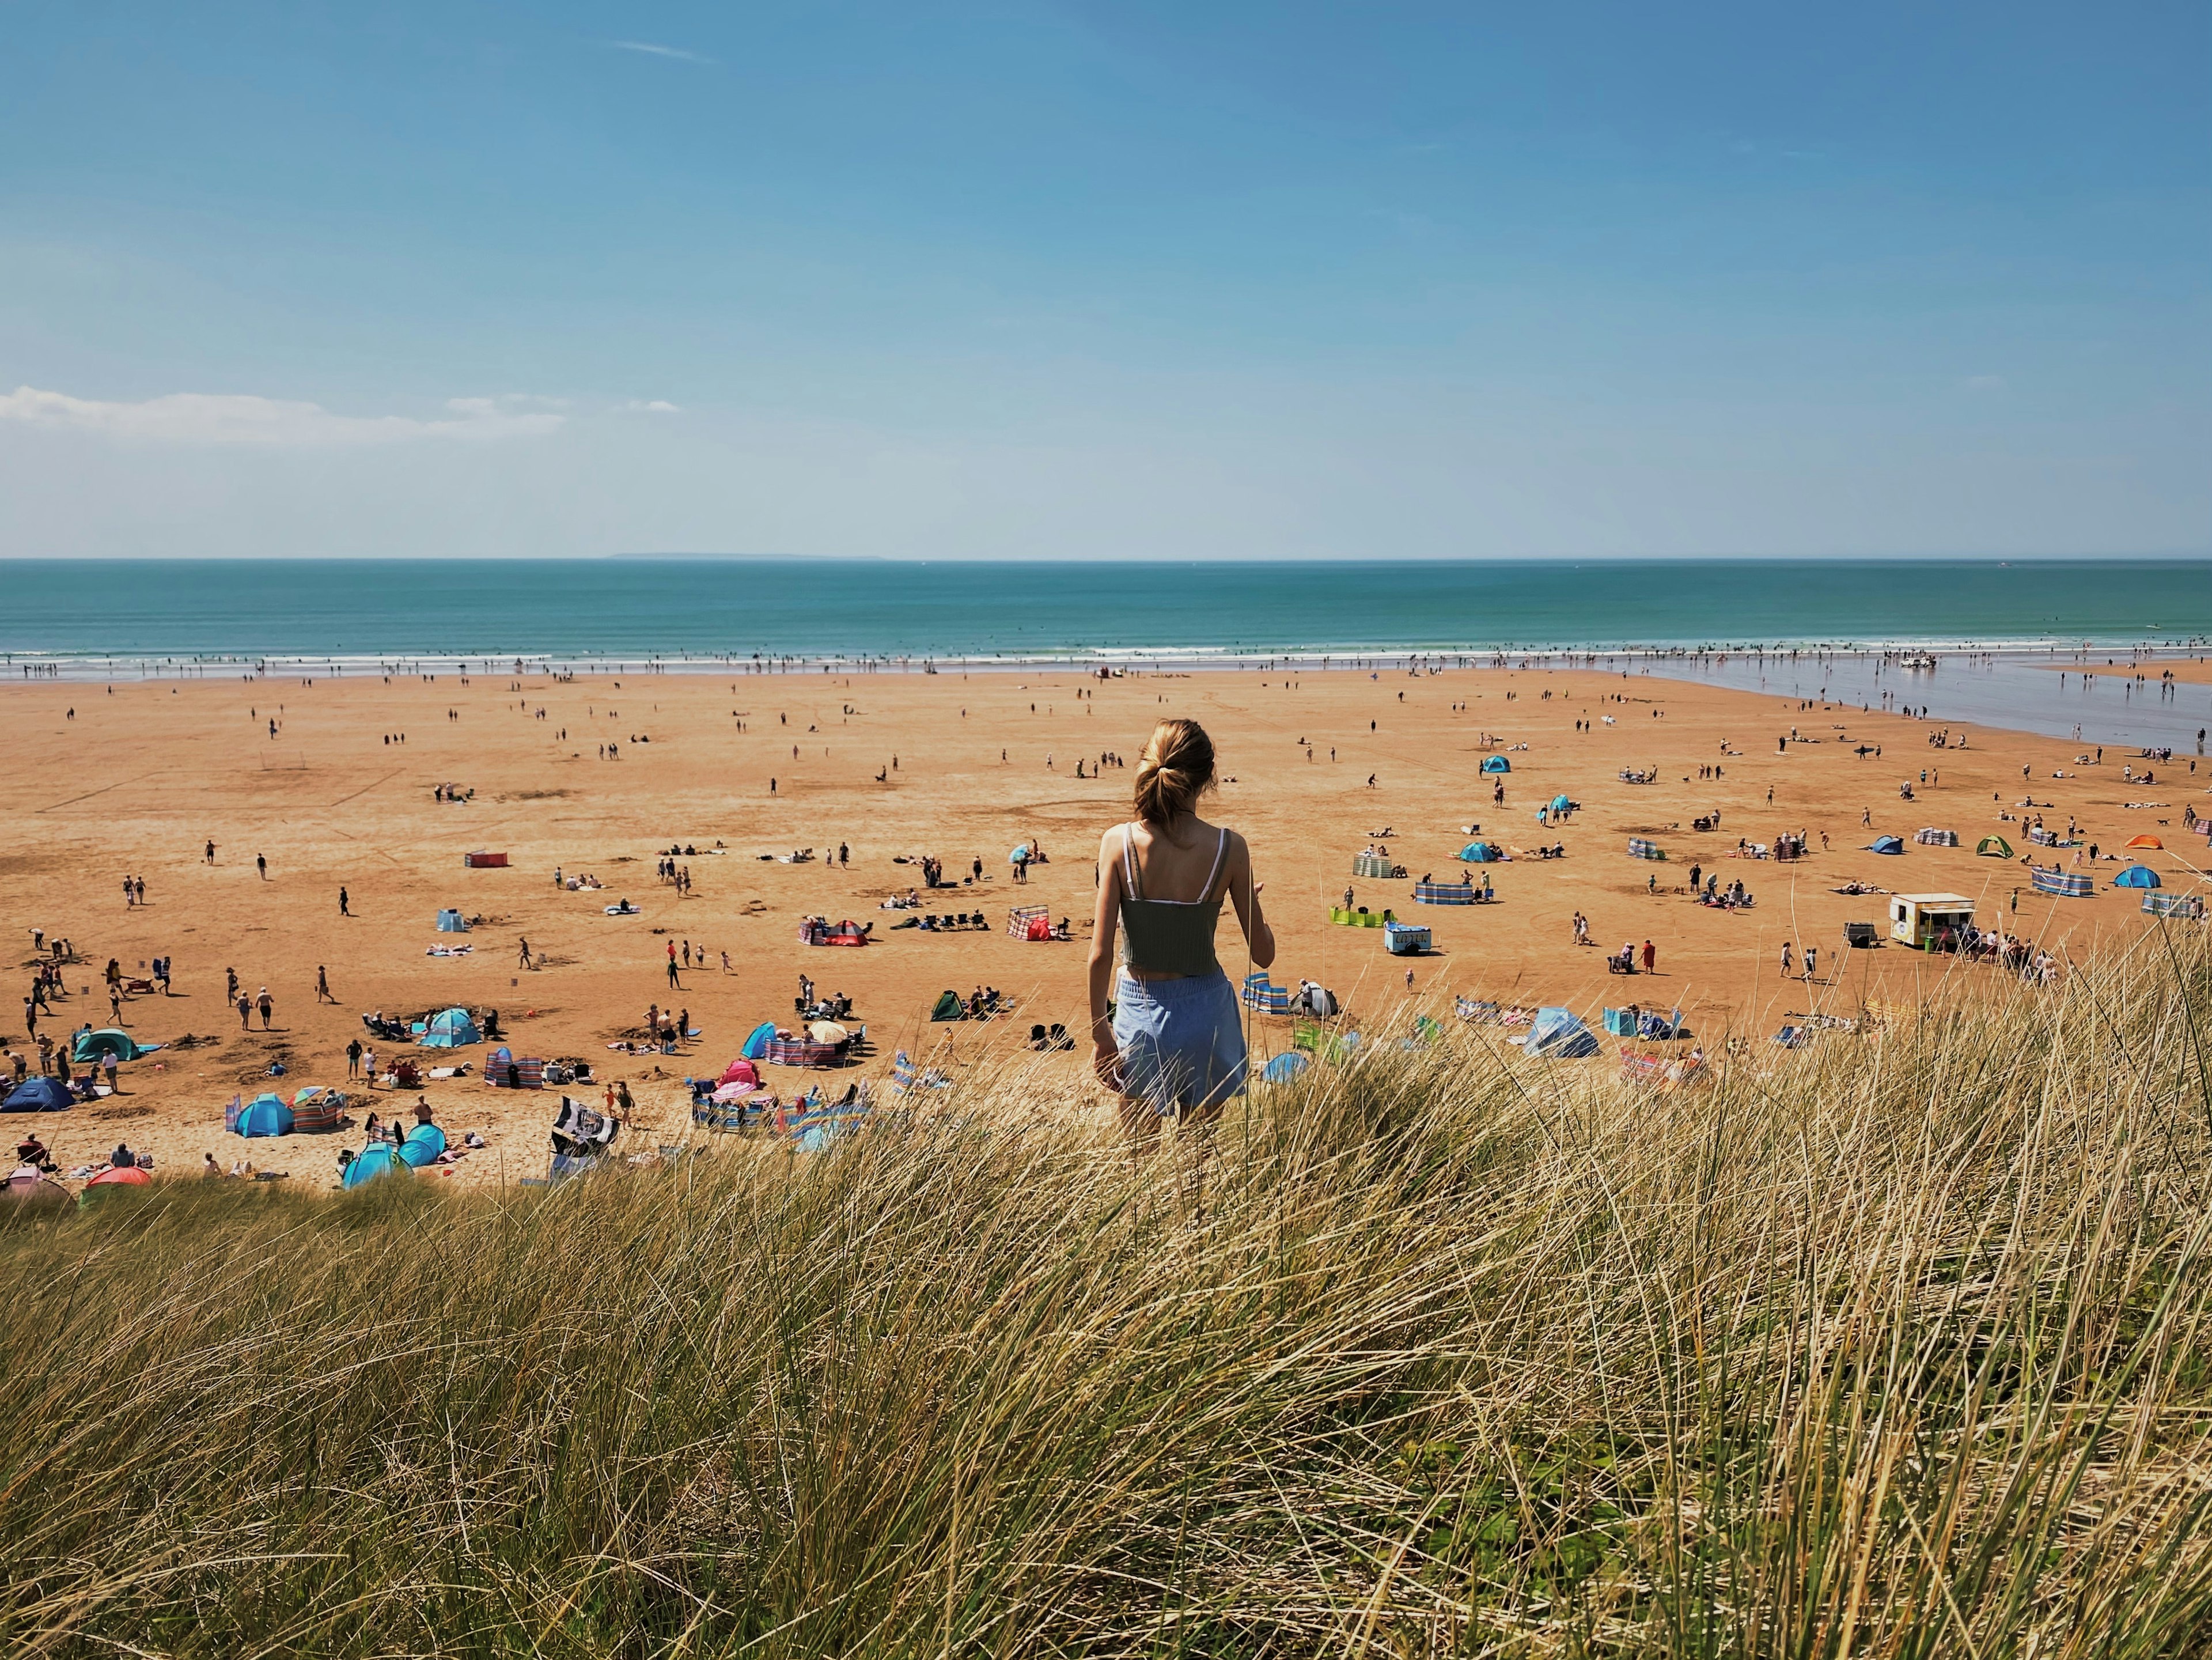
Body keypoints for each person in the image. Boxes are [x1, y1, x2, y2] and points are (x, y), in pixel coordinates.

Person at [1088, 719, 1274, 1150]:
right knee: (1198, 1163)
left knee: (1140, 1165)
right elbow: (1263, 954)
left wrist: (1101, 1034)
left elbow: (1100, 955)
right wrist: (1250, 902)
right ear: (1208, 777)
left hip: (1141, 1012)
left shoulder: (1118, 842)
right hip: (1207, 1013)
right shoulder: (1230, 847)